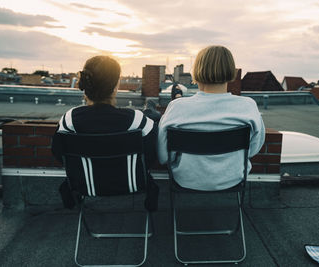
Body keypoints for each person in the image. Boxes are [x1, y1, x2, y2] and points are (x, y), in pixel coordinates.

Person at [52, 55, 159, 211]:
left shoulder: (69, 121)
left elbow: (59, 154)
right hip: (132, 183)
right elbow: (150, 156)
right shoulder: (138, 121)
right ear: (116, 86)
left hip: (87, 186)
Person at [157, 45, 265, 191]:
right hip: (233, 178)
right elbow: (252, 150)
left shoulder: (177, 107)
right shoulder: (248, 106)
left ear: (197, 70)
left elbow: (163, 156)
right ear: (230, 70)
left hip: (186, 179)